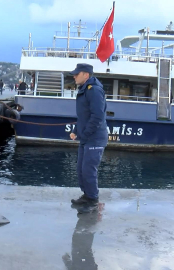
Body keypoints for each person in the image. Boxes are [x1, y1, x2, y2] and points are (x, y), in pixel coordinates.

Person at [69, 63, 108, 214]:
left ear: (86, 75)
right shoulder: (85, 89)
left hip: (95, 138)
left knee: (88, 170)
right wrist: (76, 130)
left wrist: (84, 134)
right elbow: (83, 116)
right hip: (87, 137)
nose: (74, 76)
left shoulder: (94, 91)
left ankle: (93, 200)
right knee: (80, 170)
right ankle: (87, 195)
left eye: (76, 74)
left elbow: (97, 116)